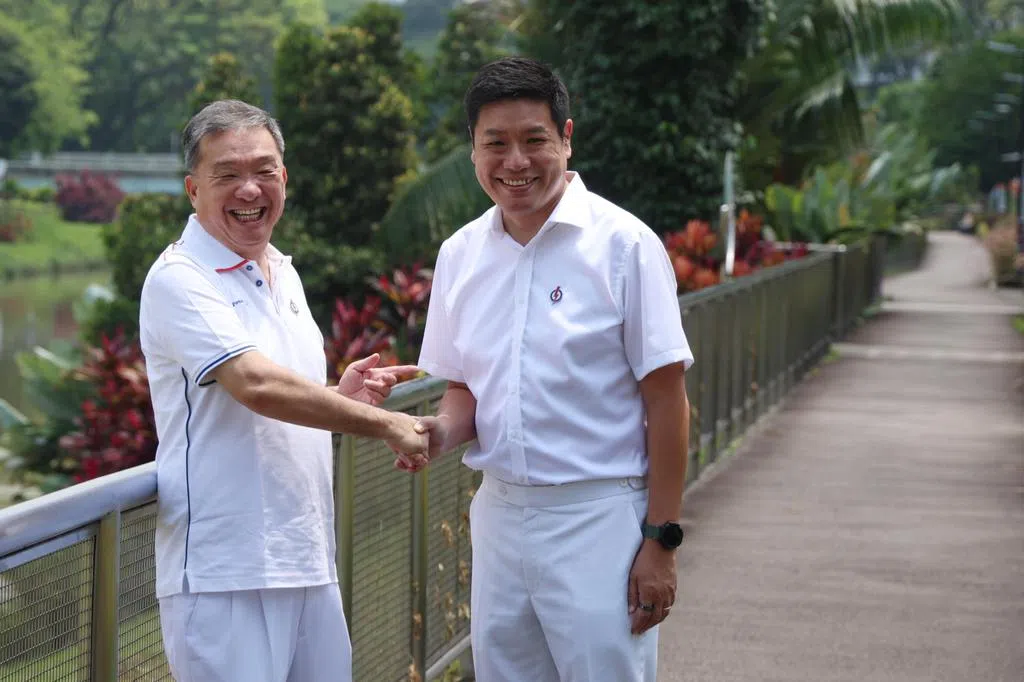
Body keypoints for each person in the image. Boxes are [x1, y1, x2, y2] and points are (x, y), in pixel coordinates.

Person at [409, 58, 694, 681]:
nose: (515, 161)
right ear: (473, 148)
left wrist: (661, 540)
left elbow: (668, 400)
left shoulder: (625, 245)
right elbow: (463, 389)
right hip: (500, 515)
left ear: (566, 138)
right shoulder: (460, 254)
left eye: (533, 140)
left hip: (600, 516)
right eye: (495, 143)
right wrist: (436, 433)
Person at [139, 99, 428, 682]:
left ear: (284, 179)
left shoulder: (281, 270)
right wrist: (389, 424)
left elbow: (276, 395)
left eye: (264, 171)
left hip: (307, 560)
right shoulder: (180, 278)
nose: (250, 189)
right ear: (193, 190)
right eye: (227, 174)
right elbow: (255, 384)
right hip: (225, 576)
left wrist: (340, 399)